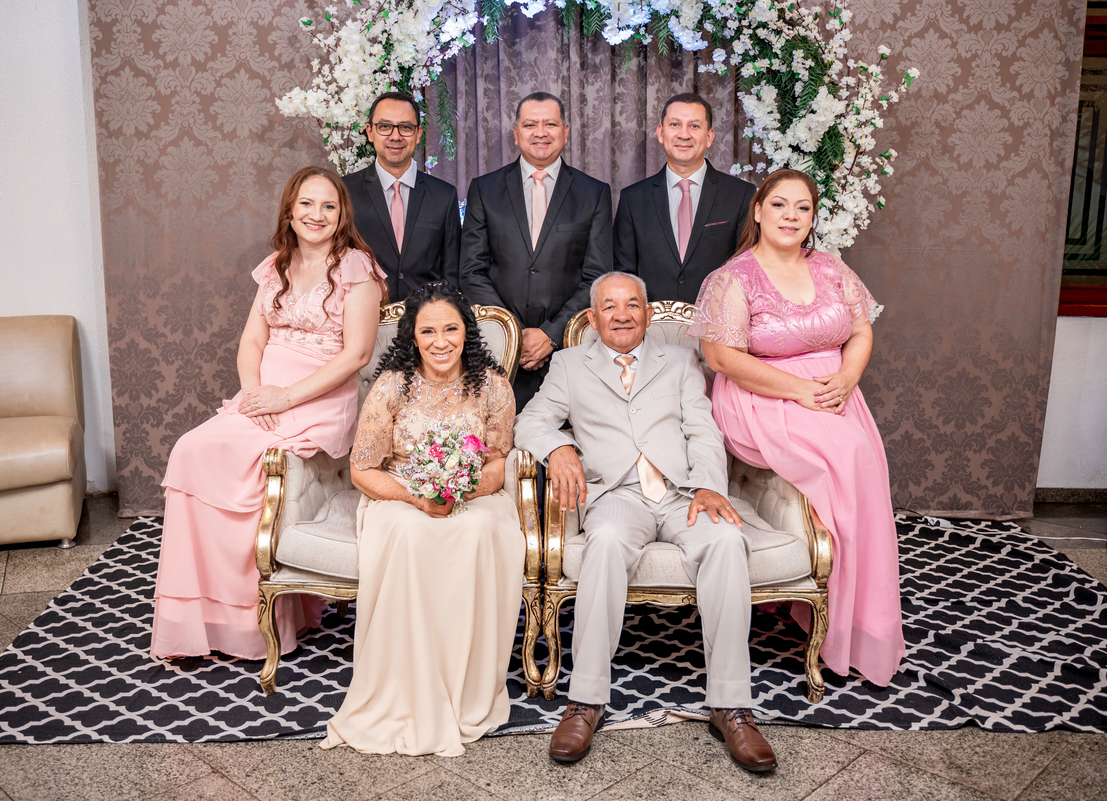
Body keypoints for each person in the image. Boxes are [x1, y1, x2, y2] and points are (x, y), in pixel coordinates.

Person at [514, 272, 777, 774]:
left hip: (683, 495)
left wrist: (709, 485)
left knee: (727, 540)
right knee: (606, 541)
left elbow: (702, 430)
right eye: (609, 307)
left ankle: (731, 706)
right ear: (592, 318)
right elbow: (531, 420)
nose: (621, 315)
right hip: (616, 495)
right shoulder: (568, 364)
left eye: (632, 304)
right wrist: (560, 447)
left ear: (648, 314)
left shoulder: (679, 360)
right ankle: (585, 700)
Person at [150, 166, 387, 660]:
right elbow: (252, 341)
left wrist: (286, 397)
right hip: (264, 398)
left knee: (245, 464)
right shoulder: (276, 265)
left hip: (319, 399)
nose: (317, 215)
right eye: (307, 204)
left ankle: (254, 624)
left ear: (342, 214)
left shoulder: (357, 268)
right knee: (190, 451)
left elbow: (358, 355)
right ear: (290, 211)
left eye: (328, 206)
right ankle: (204, 618)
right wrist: (252, 394)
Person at [688, 168, 905, 688]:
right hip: (761, 397)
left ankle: (856, 620)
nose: (790, 216)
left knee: (862, 465)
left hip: (835, 395)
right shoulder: (733, 279)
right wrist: (798, 389)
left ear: (812, 218)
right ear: (758, 211)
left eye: (802, 207)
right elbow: (721, 358)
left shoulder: (831, 268)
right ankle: (837, 619)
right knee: (848, 458)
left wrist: (847, 378)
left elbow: (860, 331)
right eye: (780, 205)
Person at [322, 282, 525, 757]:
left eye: (450, 329)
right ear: (412, 336)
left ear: (466, 332)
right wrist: (418, 497)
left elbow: (499, 460)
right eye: (428, 331)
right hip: (400, 494)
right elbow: (362, 470)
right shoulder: (392, 386)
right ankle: (409, 686)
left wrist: (460, 490)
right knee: (411, 534)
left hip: (472, 495)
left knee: (478, 529)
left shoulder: (492, 386)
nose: (440, 341)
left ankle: (465, 686)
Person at [458, 91, 612, 410]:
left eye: (550, 124)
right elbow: (471, 271)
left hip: (568, 352)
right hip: (497, 351)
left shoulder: (594, 193)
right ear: (516, 133)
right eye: (530, 125)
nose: (540, 132)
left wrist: (550, 334)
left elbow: (597, 277)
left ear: (565, 131)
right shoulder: (484, 190)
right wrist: (512, 334)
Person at [613, 93, 755, 304]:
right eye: (675, 124)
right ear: (661, 133)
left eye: (694, 126)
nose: (684, 134)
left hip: (718, 320)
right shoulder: (633, 199)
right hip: (653, 321)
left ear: (709, 137)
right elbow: (623, 275)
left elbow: (747, 269)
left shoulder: (741, 195)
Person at [342, 92, 461, 300]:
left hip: (426, 315)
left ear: (418, 134)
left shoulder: (444, 195)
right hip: (363, 314)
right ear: (370, 132)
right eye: (384, 126)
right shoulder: (344, 191)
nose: (395, 136)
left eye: (405, 127)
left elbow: (452, 273)